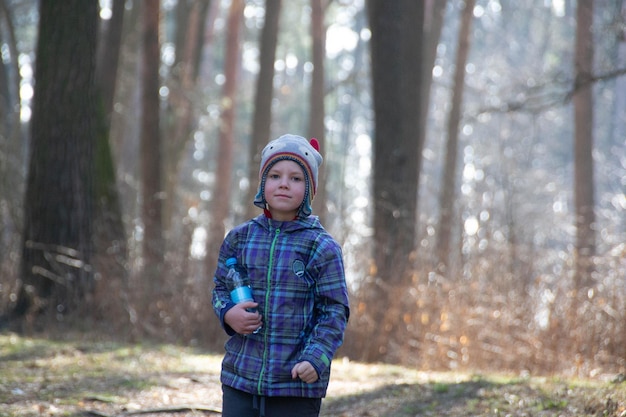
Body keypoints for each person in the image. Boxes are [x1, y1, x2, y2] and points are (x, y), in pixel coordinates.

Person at [212, 134, 350, 417]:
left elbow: (334, 311)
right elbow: (220, 288)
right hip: (240, 378)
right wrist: (227, 313)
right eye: (275, 175)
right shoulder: (240, 238)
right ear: (263, 184)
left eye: (296, 178)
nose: (284, 183)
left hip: (295, 384)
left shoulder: (321, 247)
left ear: (309, 188)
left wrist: (316, 359)